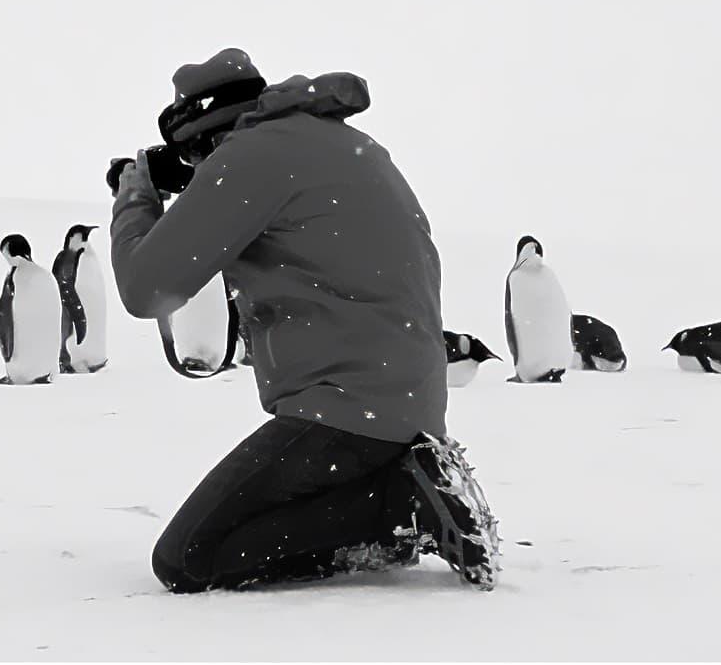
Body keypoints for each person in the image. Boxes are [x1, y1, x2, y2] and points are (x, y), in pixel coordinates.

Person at [108, 48, 500, 592]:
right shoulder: (342, 144)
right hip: (405, 399)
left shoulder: (250, 157)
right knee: (259, 520)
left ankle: (400, 507)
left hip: (345, 407)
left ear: (202, 134)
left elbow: (144, 290)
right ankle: (400, 497)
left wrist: (134, 197)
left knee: (189, 557)